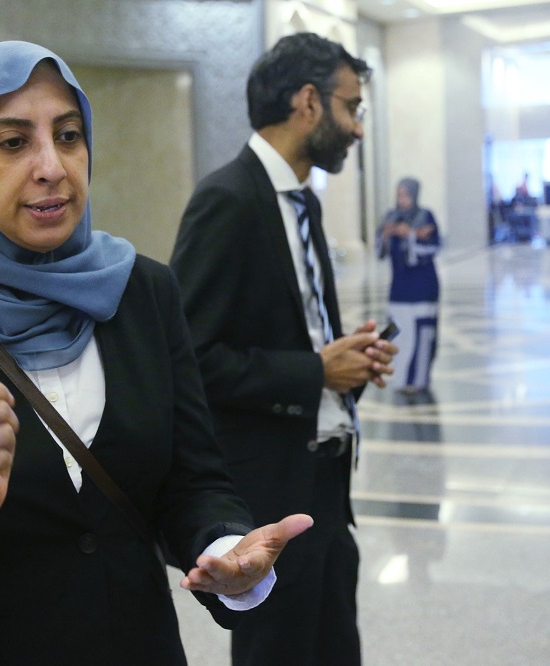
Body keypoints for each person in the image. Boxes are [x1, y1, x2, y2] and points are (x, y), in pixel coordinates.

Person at [0, 41, 314, 665]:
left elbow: (194, 481)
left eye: (69, 135)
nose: (51, 166)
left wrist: (225, 546)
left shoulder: (142, 292)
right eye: (13, 141)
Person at [170, 33, 397, 666]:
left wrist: (343, 359)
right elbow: (190, 357)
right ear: (308, 102)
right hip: (270, 491)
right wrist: (313, 370)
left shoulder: (300, 201)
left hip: (324, 480)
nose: (356, 128)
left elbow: (290, 331)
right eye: (352, 107)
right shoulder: (229, 200)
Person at [377, 177, 441, 393]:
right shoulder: (391, 217)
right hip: (399, 287)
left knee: (422, 335)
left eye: (405, 194)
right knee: (397, 331)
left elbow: (432, 248)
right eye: (399, 194)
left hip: (423, 287)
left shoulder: (425, 216)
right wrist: (387, 235)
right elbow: (381, 252)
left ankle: (418, 380)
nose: (401, 199)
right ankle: (398, 379)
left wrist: (411, 236)